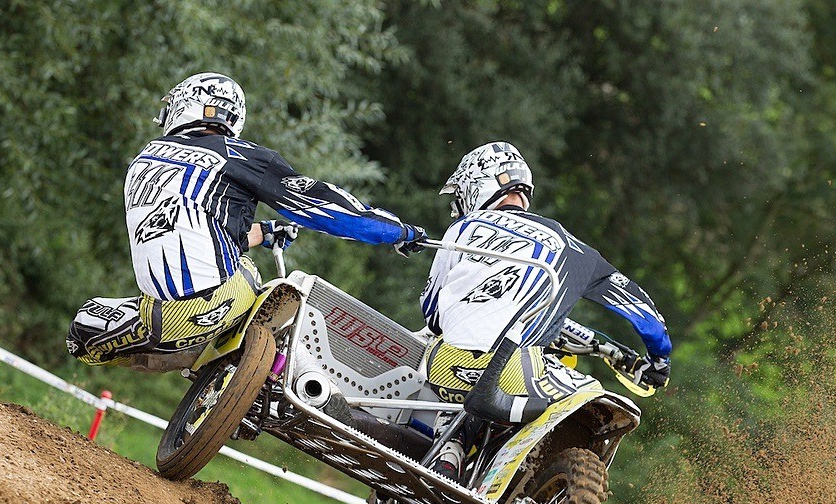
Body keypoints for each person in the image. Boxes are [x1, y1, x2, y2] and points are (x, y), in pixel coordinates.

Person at [67, 72, 427, 371]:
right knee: (250, 270)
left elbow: (190, 230)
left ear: (183, 106)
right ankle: (277, 369)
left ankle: (190, 358)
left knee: (81, 331)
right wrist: (396, 231)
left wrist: (264, 232)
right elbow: (320, 205)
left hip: (161, 320)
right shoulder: (239, 155)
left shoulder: (143, 160)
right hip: (223, 300)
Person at [420, 141, 671, 480]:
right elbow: (642, 311)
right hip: (522, 375)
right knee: (584, 394)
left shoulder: (464, 229)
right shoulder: (577, 250)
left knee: (452, 350)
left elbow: (433, 315)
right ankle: (530, 489)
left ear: (477, 186)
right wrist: (658, 360)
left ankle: (447, 456)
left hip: (448, 365)